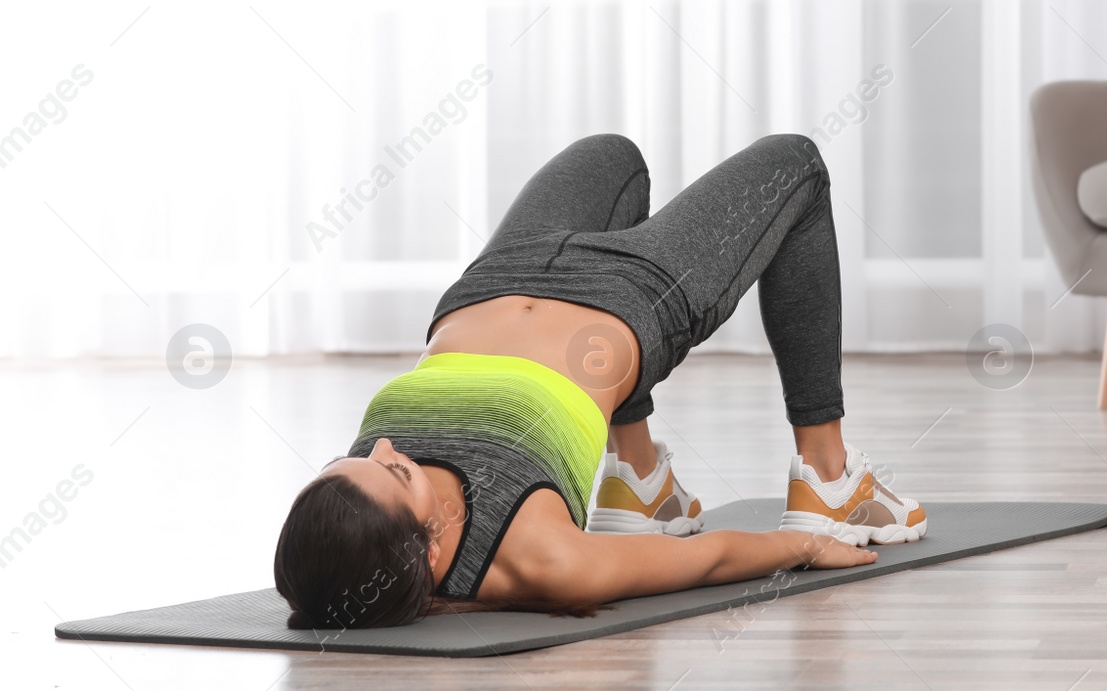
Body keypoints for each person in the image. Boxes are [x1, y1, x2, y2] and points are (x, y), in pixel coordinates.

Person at [273, 133, 925, 630]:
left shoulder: (354, 520)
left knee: (611, 157)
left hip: (494, 275)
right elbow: (710, 561)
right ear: (435, 547)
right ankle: (828, 480)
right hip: (627, 294)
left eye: (352, 459)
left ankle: (638, 480)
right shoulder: (541, 558)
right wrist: (806, 543)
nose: (385, 448)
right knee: (796, 163)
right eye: (395, 474)